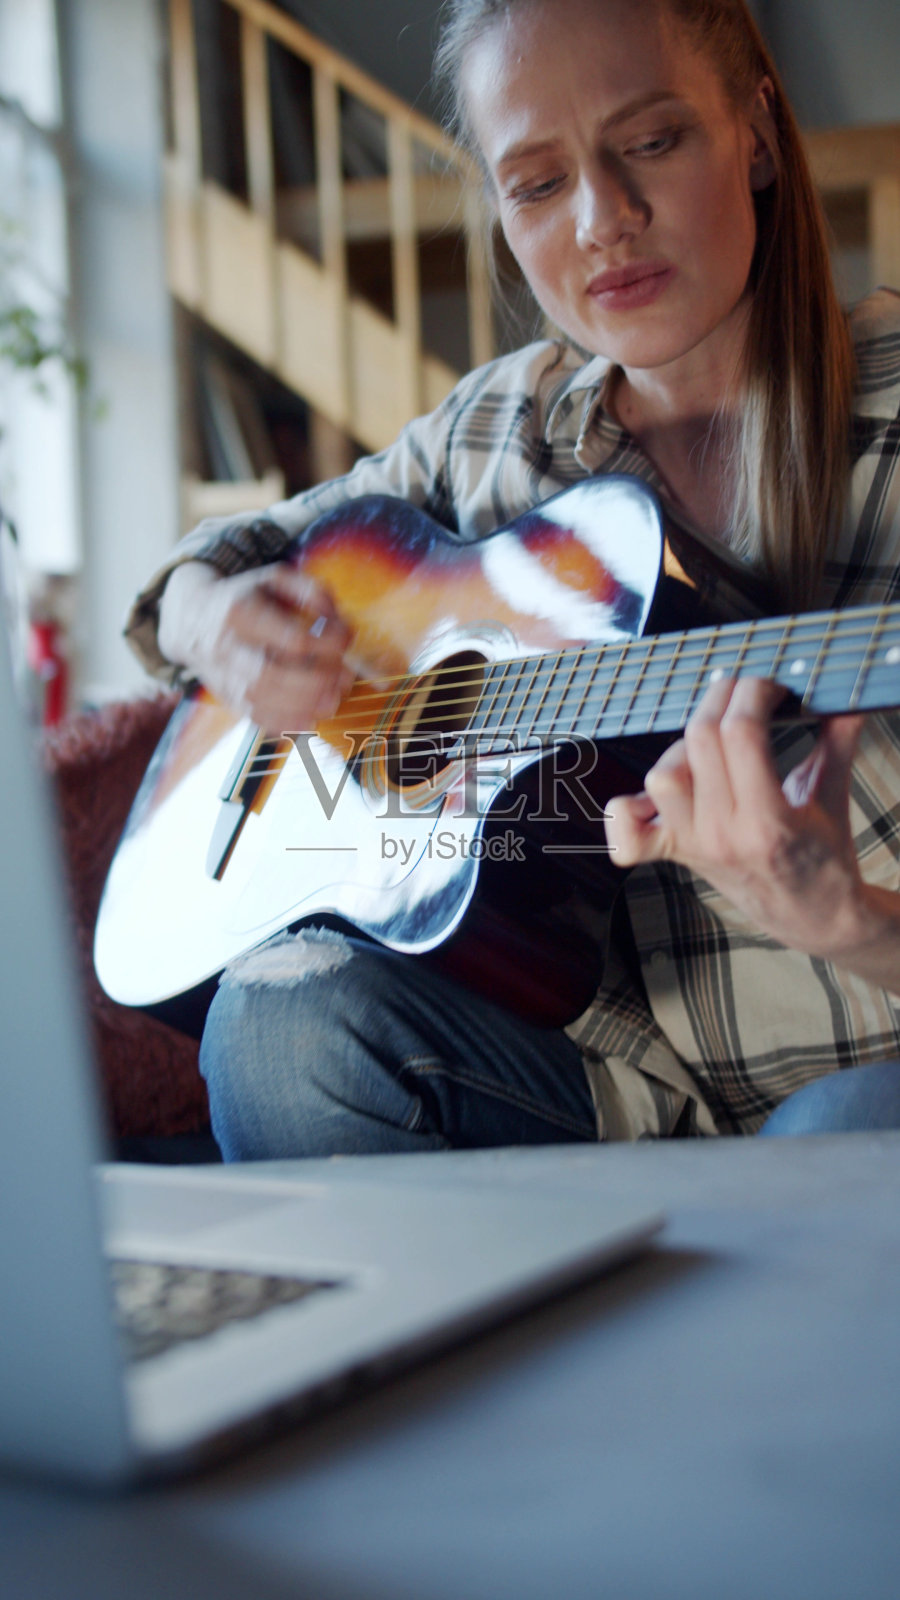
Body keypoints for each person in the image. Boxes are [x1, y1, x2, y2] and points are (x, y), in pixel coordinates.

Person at [126, 0, 900, 1158]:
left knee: (850, 1138)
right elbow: (202, 572)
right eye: (537, 184)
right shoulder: (496, 428)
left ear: (753, 127)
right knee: (278, 1021)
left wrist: (851, 923)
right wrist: (220, 625)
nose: (604, 220)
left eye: (651, 143)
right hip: (587, 1085)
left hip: (859, 1070)